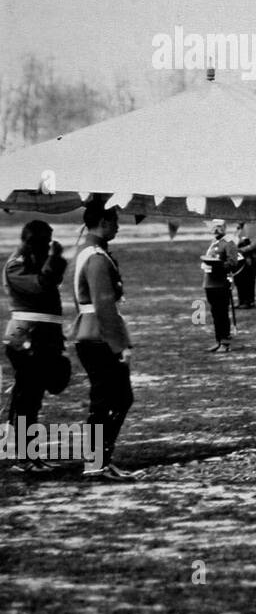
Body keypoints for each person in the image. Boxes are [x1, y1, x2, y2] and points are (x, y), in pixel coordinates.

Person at [71, 201, 143, 480]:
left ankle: (97, 461)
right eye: (114, 221)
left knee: (109, 399)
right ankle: (97, 462)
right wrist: (120, 345)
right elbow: (104, 305)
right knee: (115, 399)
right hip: (100, 336)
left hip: (89, 333)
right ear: (102, 221)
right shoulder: (97, 257)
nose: (118, 226)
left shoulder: (86, 251)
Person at [3, 220, 69, 472]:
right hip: (25, 335)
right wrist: (54, 259)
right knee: (27, 397)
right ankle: (24, 458)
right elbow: (41, 285)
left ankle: (29, 456)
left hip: (41, 335)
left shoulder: (32, 262)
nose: (48, 246)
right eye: (45, 241)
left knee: (33, 396)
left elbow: (50, 280)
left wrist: (55, 260)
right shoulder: (16, 265)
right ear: (32, 241)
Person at [199, 220, 239, 353]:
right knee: (215, 314)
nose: (216, 230)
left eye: (219, 227)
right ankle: (218, 340)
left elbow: (233, 263)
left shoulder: (228, 243)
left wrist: (218, 266)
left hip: (220, 283)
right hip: (210, 283)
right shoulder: (214, 242)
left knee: (222, 313)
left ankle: (225, 343)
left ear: (225, 228)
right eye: (214, 227)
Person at [232, 222, 256, 308]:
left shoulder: (252, 225)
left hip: (248, 258)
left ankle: (248, 301)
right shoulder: (239, 228)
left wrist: (242, 250)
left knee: (248, 280)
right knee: (239, 280)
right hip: (239, 258)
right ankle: (242, 301)